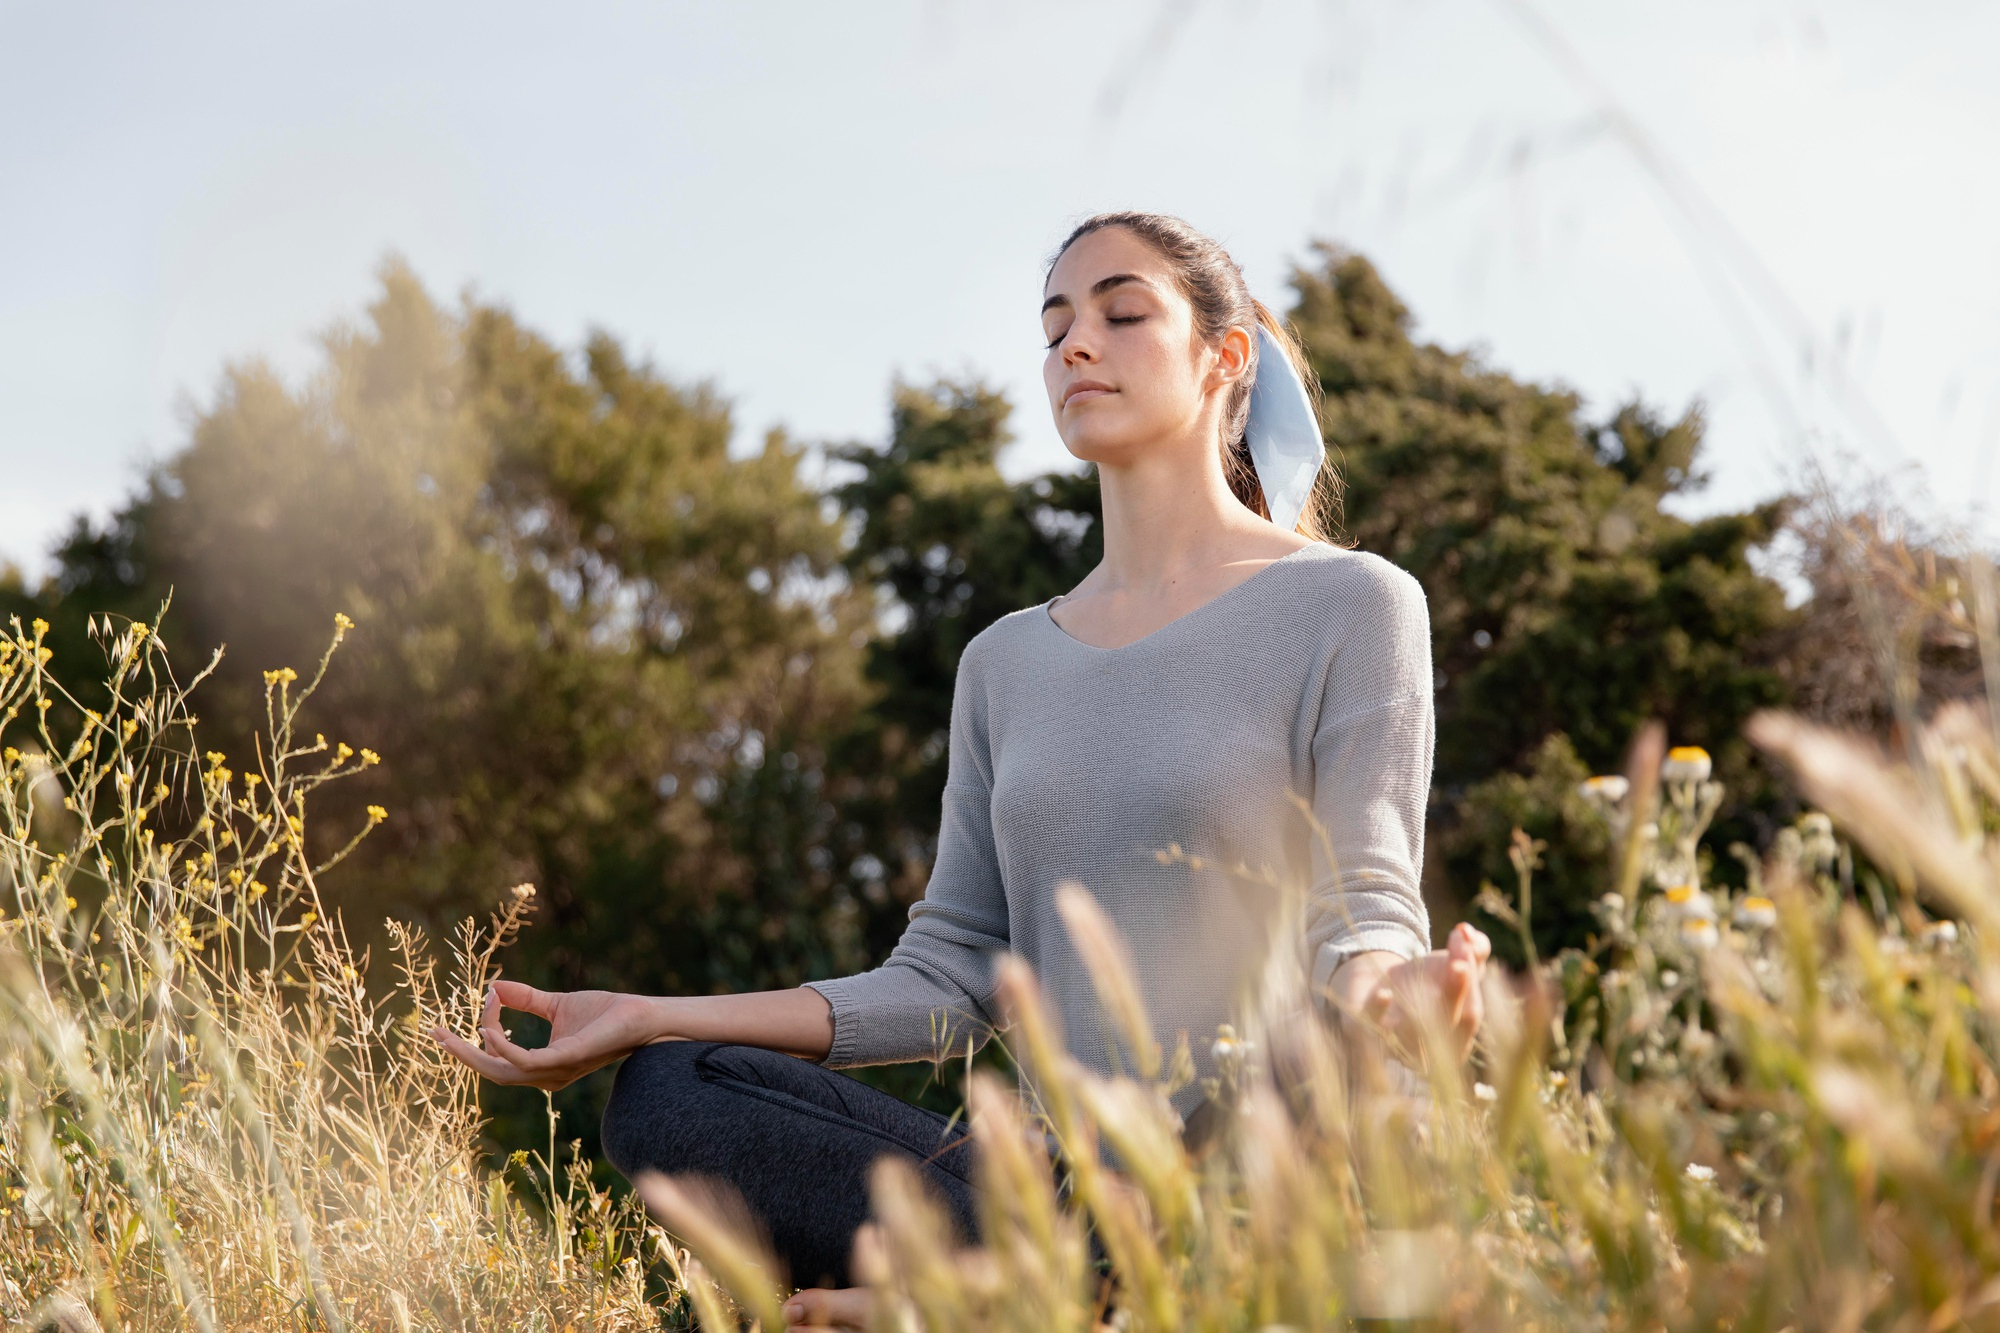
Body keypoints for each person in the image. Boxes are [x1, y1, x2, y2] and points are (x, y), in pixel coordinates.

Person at [434, 211, 1492, 1330]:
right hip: (1042, 1194)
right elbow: (947, 974)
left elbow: (1363, 901)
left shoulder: (1350, 602)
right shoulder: (1003, 662)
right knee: (673, 1090)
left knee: (1310, 1055)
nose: (1074, 345)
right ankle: (1037, 1288)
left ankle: (1008, 1298)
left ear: (1223, 357)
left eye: (1122, 313)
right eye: (1054, 328)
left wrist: (1390, 996)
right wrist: (646, 1016)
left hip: (1248, 1155)